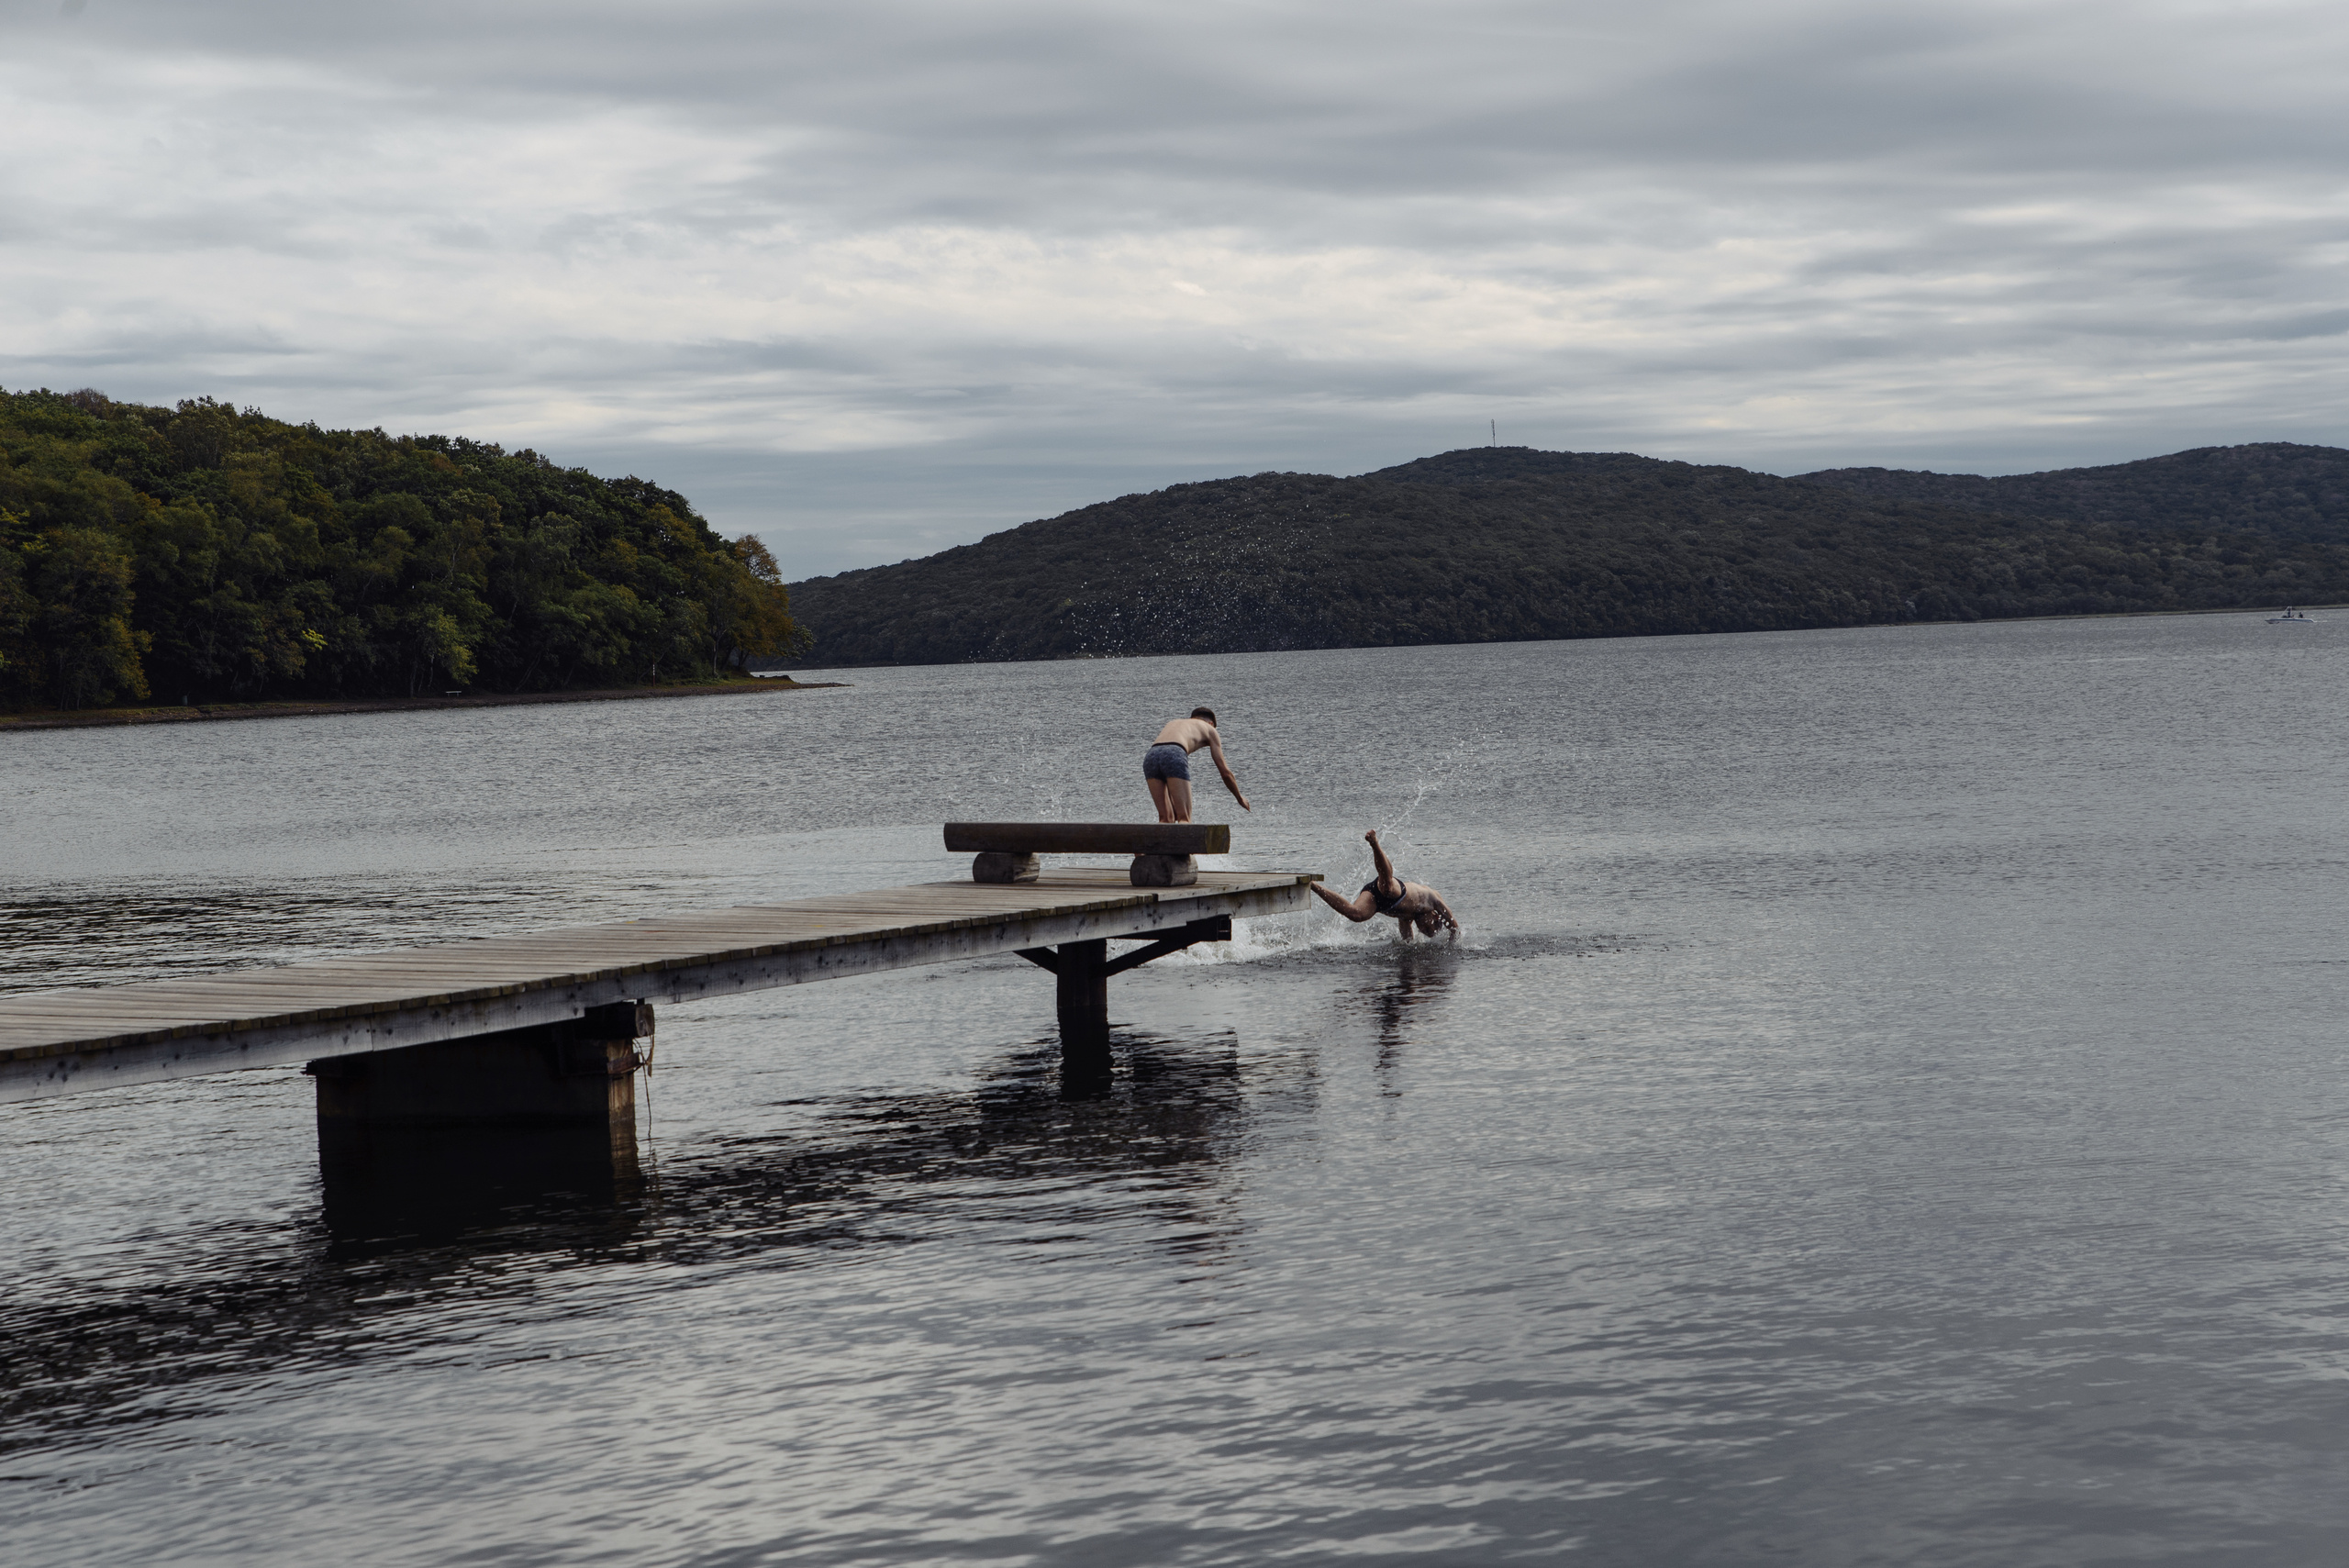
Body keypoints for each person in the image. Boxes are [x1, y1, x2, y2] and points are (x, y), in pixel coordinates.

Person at [1311, 829, 1458, 940]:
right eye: (1427, 927)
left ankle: (1314, 886)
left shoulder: (1407, 918)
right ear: (1436, 917)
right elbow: (1455, 927)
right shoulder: (1432, 899)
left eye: (1424, 931)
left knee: (1356, 914)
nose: (1423, 929)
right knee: (1388, 886)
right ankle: (1374, 844)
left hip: (1377, 901)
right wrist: (1453, 942)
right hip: (1397, 891)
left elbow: (1407, 943)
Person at [1143, 707, 1251, 823]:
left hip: (1151, 755)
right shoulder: (1210, 729)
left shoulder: (1174, 723)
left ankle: (1160, 841)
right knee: (1184, 818)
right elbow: (1225, 773)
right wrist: (1239, 798)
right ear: (1211, 723)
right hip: (1175, 752)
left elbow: (1165, 761)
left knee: (1165, 818)